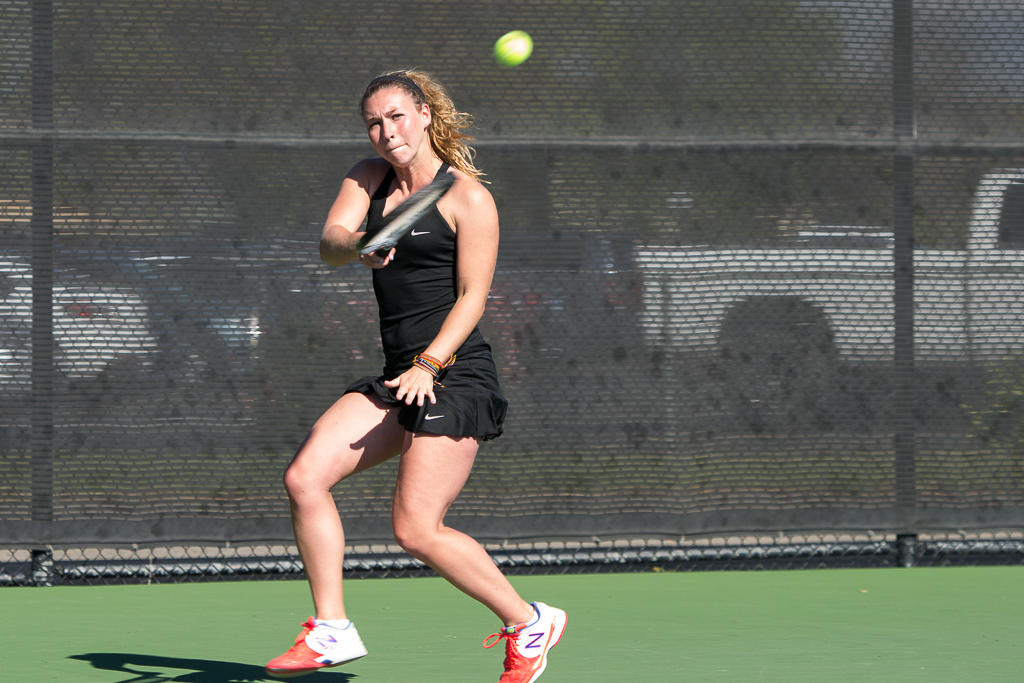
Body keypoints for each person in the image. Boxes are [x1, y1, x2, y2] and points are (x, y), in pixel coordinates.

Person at [265, 70, 567, 683]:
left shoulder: (468, 198)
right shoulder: (368, 177)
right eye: (374, 121)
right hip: (397, 373)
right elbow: (330, 241)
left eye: (397, 116)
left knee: (415, 529)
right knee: (304, 478)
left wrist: (431, 364)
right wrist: (358, 246)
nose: (386, 131)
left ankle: (528, 621)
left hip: (454, 373)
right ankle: (332, 629)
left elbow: (473, 298)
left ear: (426, 115)